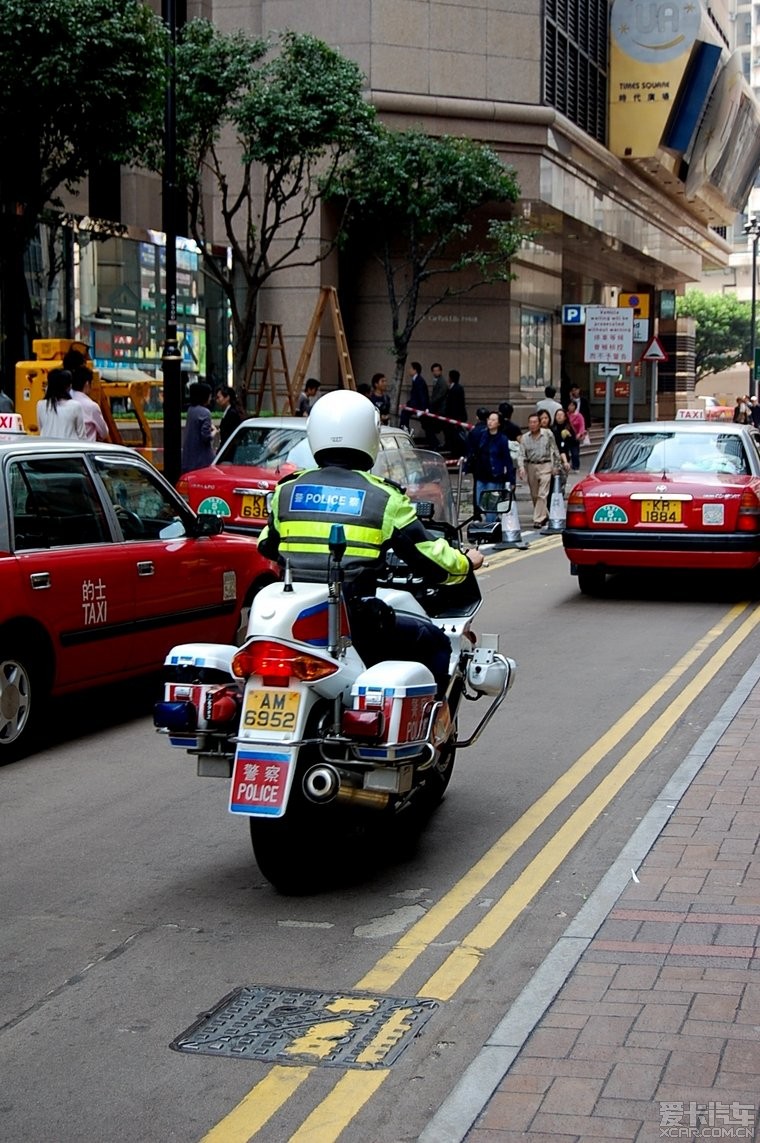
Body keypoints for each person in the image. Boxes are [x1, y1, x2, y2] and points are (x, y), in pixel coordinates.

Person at [258, 389, 483, 693]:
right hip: (354, 623)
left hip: (294, 623)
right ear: (369, 436)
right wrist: (466, 562)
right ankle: (432, 729)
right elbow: (429, 558)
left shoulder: (287, 491)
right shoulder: (384, 498)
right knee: (435, 642)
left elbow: (267, 545)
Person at [467, 411, 516, 523]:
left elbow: (507, 460)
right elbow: (474, 451)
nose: (490, 422)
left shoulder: (502, 439)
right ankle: (488, 521)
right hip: (481, 474)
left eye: (494, 420)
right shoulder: (482, 436)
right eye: (489, 419)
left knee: (491, 504)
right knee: (479, 501)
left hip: (495, 475)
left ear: (499, 423)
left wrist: (510, 479)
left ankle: (490, 525)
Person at [517, 411, 561, 529]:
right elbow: (521, 454)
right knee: (535, 494)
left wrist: (557, 466)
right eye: (530, 422)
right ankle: (544, 514)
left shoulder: (547, 434)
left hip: (546, 465)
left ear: (539, 423)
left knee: (543, 493)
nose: (532, 424)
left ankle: (538, 519)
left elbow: (555, 450)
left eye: (535, 422)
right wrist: (521, 468)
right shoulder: (525, 438)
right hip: (532, 466)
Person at [36, 369, 86, 440]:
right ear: (69, 386)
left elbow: (41, 429)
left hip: (46, 448)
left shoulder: (40, 405)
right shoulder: (75, 406)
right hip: (70, 449)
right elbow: (82, 436)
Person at [182, 381, 216, 473]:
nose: (210, 397)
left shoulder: (190, 410)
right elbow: (206, 437)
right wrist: (214, 432)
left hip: (189, 458)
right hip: (202, 460)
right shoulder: (205, 412)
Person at [70, 366, 110, 442]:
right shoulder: (92, 406)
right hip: (87, 448)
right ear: (87, 383)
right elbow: (104, 433)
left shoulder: (66, 401)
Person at [442, 369, 467, 456]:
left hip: (455, 417)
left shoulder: (456, 389)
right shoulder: (454, 388)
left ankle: (455, 452)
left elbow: (456, 405)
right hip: (452, 416)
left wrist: (456, 419)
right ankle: (452, 450)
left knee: (455, 436)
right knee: (451, 435)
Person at [399, 361, 429, 432]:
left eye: (411, 368)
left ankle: (404, 430)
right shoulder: (416, 380)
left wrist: (422, 409)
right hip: (416, 405)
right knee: (426, 425)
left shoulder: (419, 381)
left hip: (419, 406)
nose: (409, 370)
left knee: (405, 413)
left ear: (415, 370)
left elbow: (422, 395)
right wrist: (408, 403)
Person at [550, 407, 574, 494]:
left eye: (561, 415)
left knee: (562, 480)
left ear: (565, 417)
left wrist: (569, 435)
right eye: (557, 415)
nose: (559, 417)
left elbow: (574, 443)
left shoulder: (568, 428)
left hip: (565, 457)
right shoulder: (552, 429)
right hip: (556, 458)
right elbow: (559, 448)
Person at [426, 361, 447, 448]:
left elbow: (439, 396)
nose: (436, 372)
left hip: (440, 410)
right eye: (434, 371)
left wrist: (430, 404)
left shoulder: (442, 382)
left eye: (437, 370)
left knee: (431, 427)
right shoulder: (436, 381)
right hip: (437, 410)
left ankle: (435, 444)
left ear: (441, 371)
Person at [566, 398, 585, 471]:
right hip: (567, 436)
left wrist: (580, 433)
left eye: (572, 405)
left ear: (575, 406)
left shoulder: (579, 416)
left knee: (575, 453)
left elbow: (582, 425)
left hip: (575, 437)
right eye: (569, 405)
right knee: (566, 452)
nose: (570, 407)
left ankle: (576, 466)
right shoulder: (566, 415)